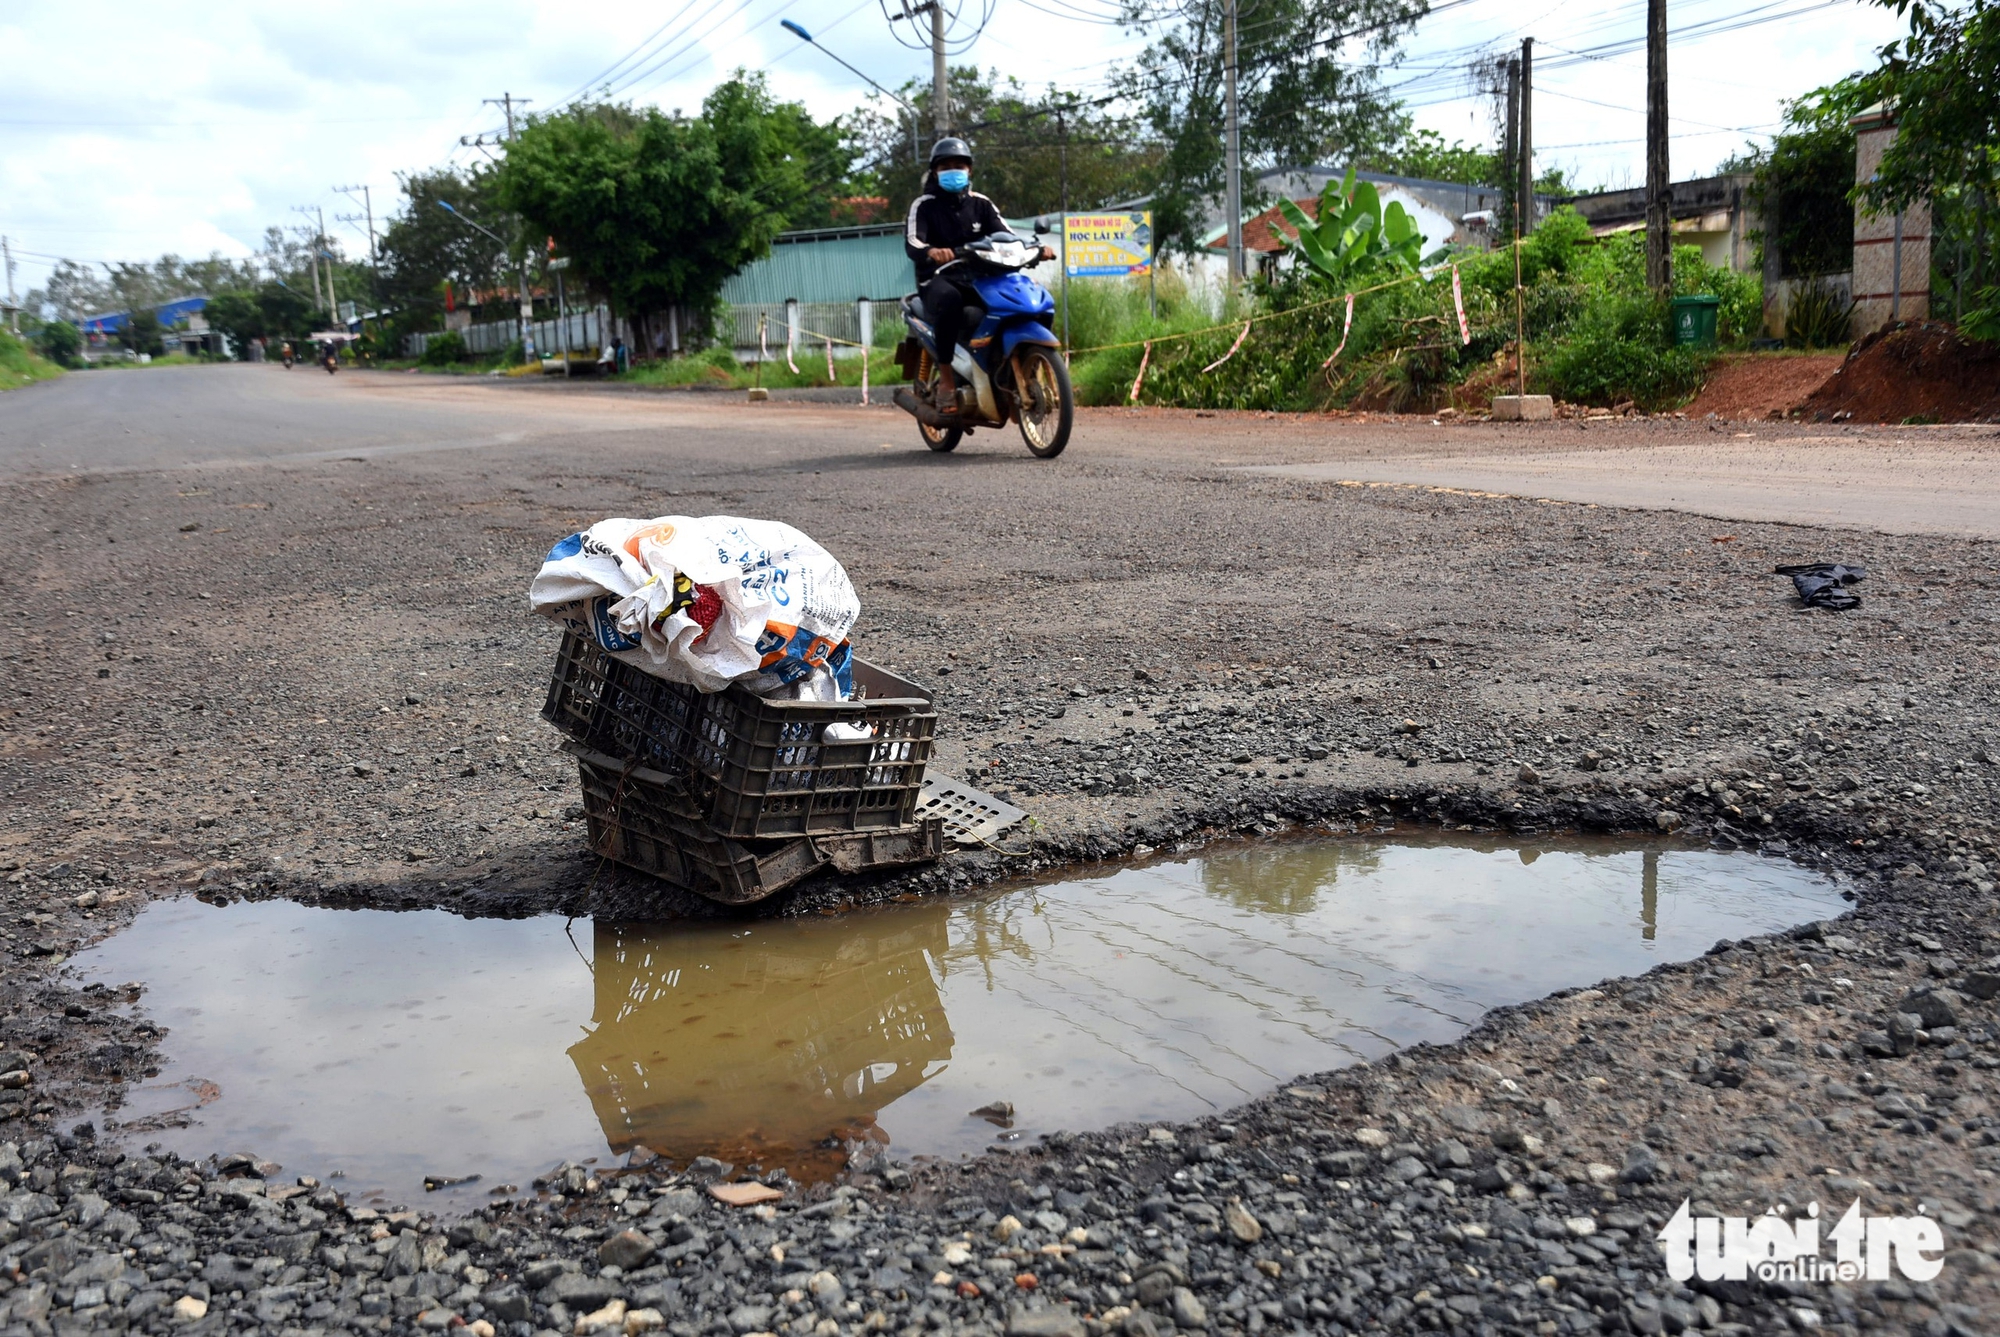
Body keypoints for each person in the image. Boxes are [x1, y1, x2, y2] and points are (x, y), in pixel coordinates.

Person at [904, 137, 1052, 412]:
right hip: (939, 278)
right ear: (935, 171)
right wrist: (932, 251)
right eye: (946, 166)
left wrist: (1037, 249)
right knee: (949, 301)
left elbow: (1007, 236)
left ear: (969, 170)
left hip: (980, 278)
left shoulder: (981, 204)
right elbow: (913, 242)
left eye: (959, 165)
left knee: (1011, 300)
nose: (953, 170)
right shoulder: (923, 205)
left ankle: (1005, 371)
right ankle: (947, 380)